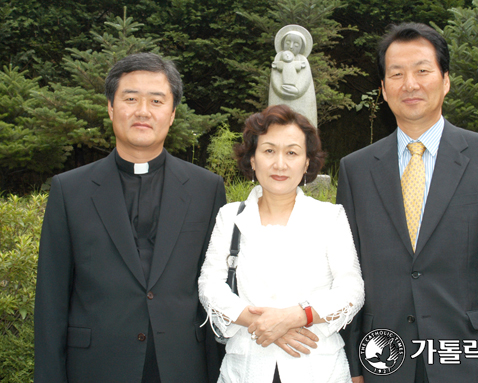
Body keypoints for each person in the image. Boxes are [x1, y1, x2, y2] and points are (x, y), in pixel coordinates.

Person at [337, 23, 478, 383]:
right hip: (384, 360)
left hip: (471, 361)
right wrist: (353, 369)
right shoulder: (356, 169)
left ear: (445, 80)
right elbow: (348, 274)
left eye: (422, 71)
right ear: (383, 89)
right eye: (396, 74)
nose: (409, 84)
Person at [34, 52, 226, 383]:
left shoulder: (206, 188)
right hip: (96, 368)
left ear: (172, 114)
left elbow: (216, 289)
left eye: (156, 100)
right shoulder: (70, 189)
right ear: (111, 107)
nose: (142, 111)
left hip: (183, 367)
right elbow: (51, 301)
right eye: (131, 98)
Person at [199, 104, 364, 382]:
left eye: (292, 152)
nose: (280, 164)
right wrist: (261, 323)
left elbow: (351, 289)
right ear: (252, 159)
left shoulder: (329, 217)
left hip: (317, 366)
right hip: (247, 365)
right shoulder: (230, 217)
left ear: (307, 162)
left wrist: (299, 316)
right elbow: (210, 285)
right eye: (268, 150)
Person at [269, 25, 317, 127]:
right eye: (288, 42)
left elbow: (306, 79)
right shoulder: (278, 58)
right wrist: (280, 90)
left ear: (301, 47)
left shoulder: (303, 60)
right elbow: (275, 79)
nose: (291, 46)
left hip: (301, 98)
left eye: (296, 44)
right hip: (280, 95)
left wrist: (298, 90)